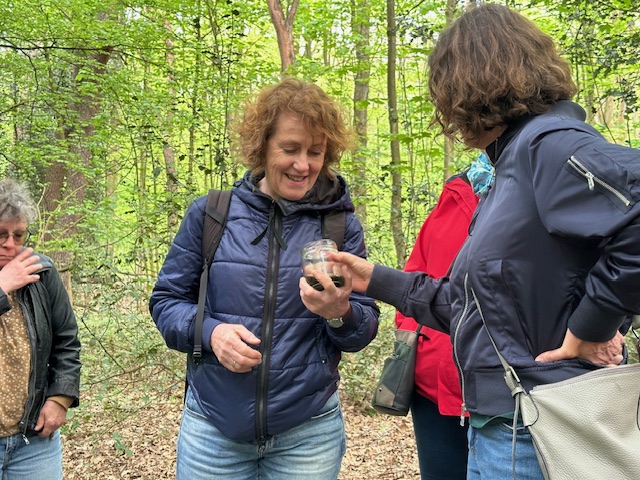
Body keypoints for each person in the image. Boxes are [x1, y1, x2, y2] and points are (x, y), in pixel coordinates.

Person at [332, 4, 637, 479]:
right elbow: (470, 306)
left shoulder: (548, 144)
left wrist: (594, 325)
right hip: (505, 423)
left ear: (468, 85)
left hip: (538, 424)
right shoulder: (511, 167)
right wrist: (370, 278)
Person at [150, 77, 380, 480]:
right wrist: (210, 333)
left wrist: (340, 313)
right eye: (289, 149)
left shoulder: (340, 226)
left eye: (315, 152)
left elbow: (361, 330)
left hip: (308, 434)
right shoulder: (211, 214)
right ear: (262, 146)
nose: (303, 164)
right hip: (213, 430)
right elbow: (166, 301)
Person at [396, 153, 492, 480]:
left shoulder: (542, 185)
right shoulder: (456, 192)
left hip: (503, 394)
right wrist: (421, 343)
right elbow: (415, 273)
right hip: (434, 390)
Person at [0, 178, 81, 480]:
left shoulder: (42, 273)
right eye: (1, 235)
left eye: (18, 235)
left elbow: (67, 342)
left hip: (32, 439)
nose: (11, 244)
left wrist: (60, 398)